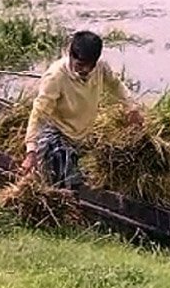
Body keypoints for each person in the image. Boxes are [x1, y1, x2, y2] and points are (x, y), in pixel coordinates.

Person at [21, 30, 143, 189]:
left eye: (90, 66)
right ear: (70, 55)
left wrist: (131, 107)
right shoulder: (56, 76)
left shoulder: (100, 68)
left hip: (82, 134)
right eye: (80, 65)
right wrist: (31, 151)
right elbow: (39, 114)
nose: (85, 70)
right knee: (64, 182)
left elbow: (115, 85)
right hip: (57, 134)